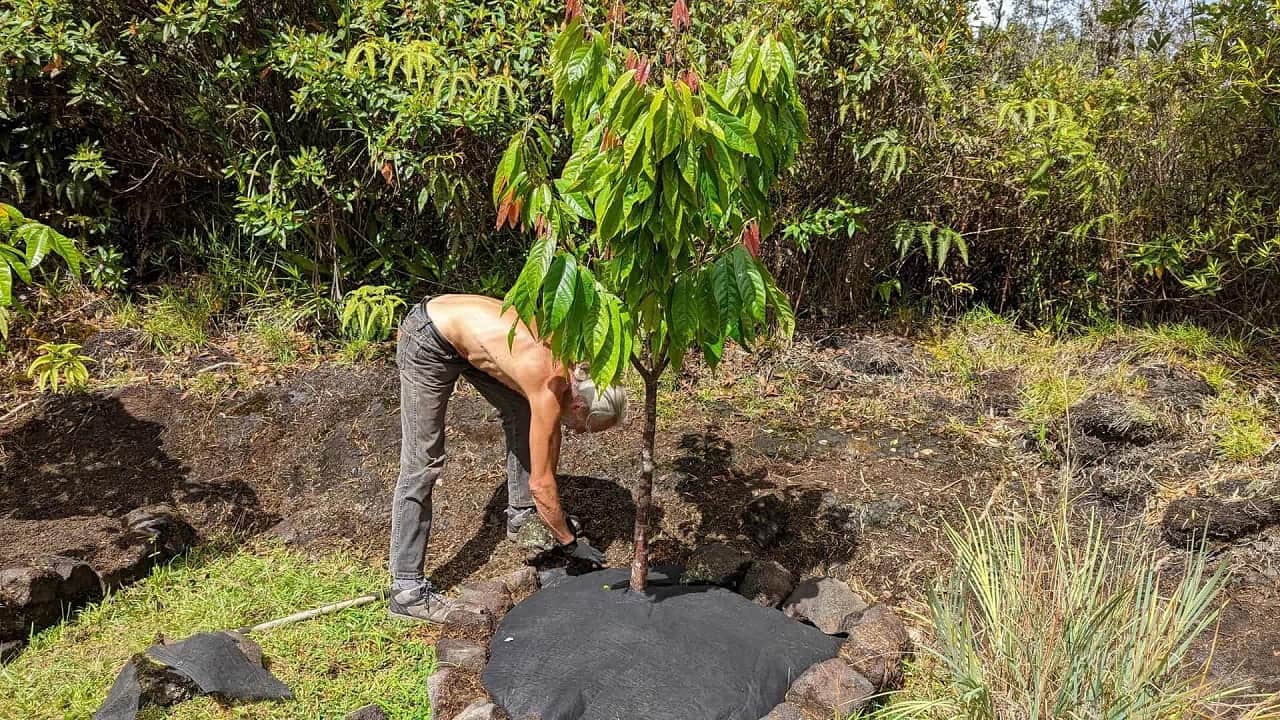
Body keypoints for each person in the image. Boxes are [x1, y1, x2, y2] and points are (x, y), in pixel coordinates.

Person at [388, 293, 628, 622]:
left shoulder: (570, 366)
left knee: (520, 411)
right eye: (586, 428)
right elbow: (542, 482)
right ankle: (407, 590)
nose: (581, 434)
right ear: (579, 406)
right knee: (422, 464)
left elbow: (550, 443)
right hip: (428, 338)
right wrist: (570, 543)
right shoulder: (546, 384)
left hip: (462, 335)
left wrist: (550, 517)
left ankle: (521, 517)